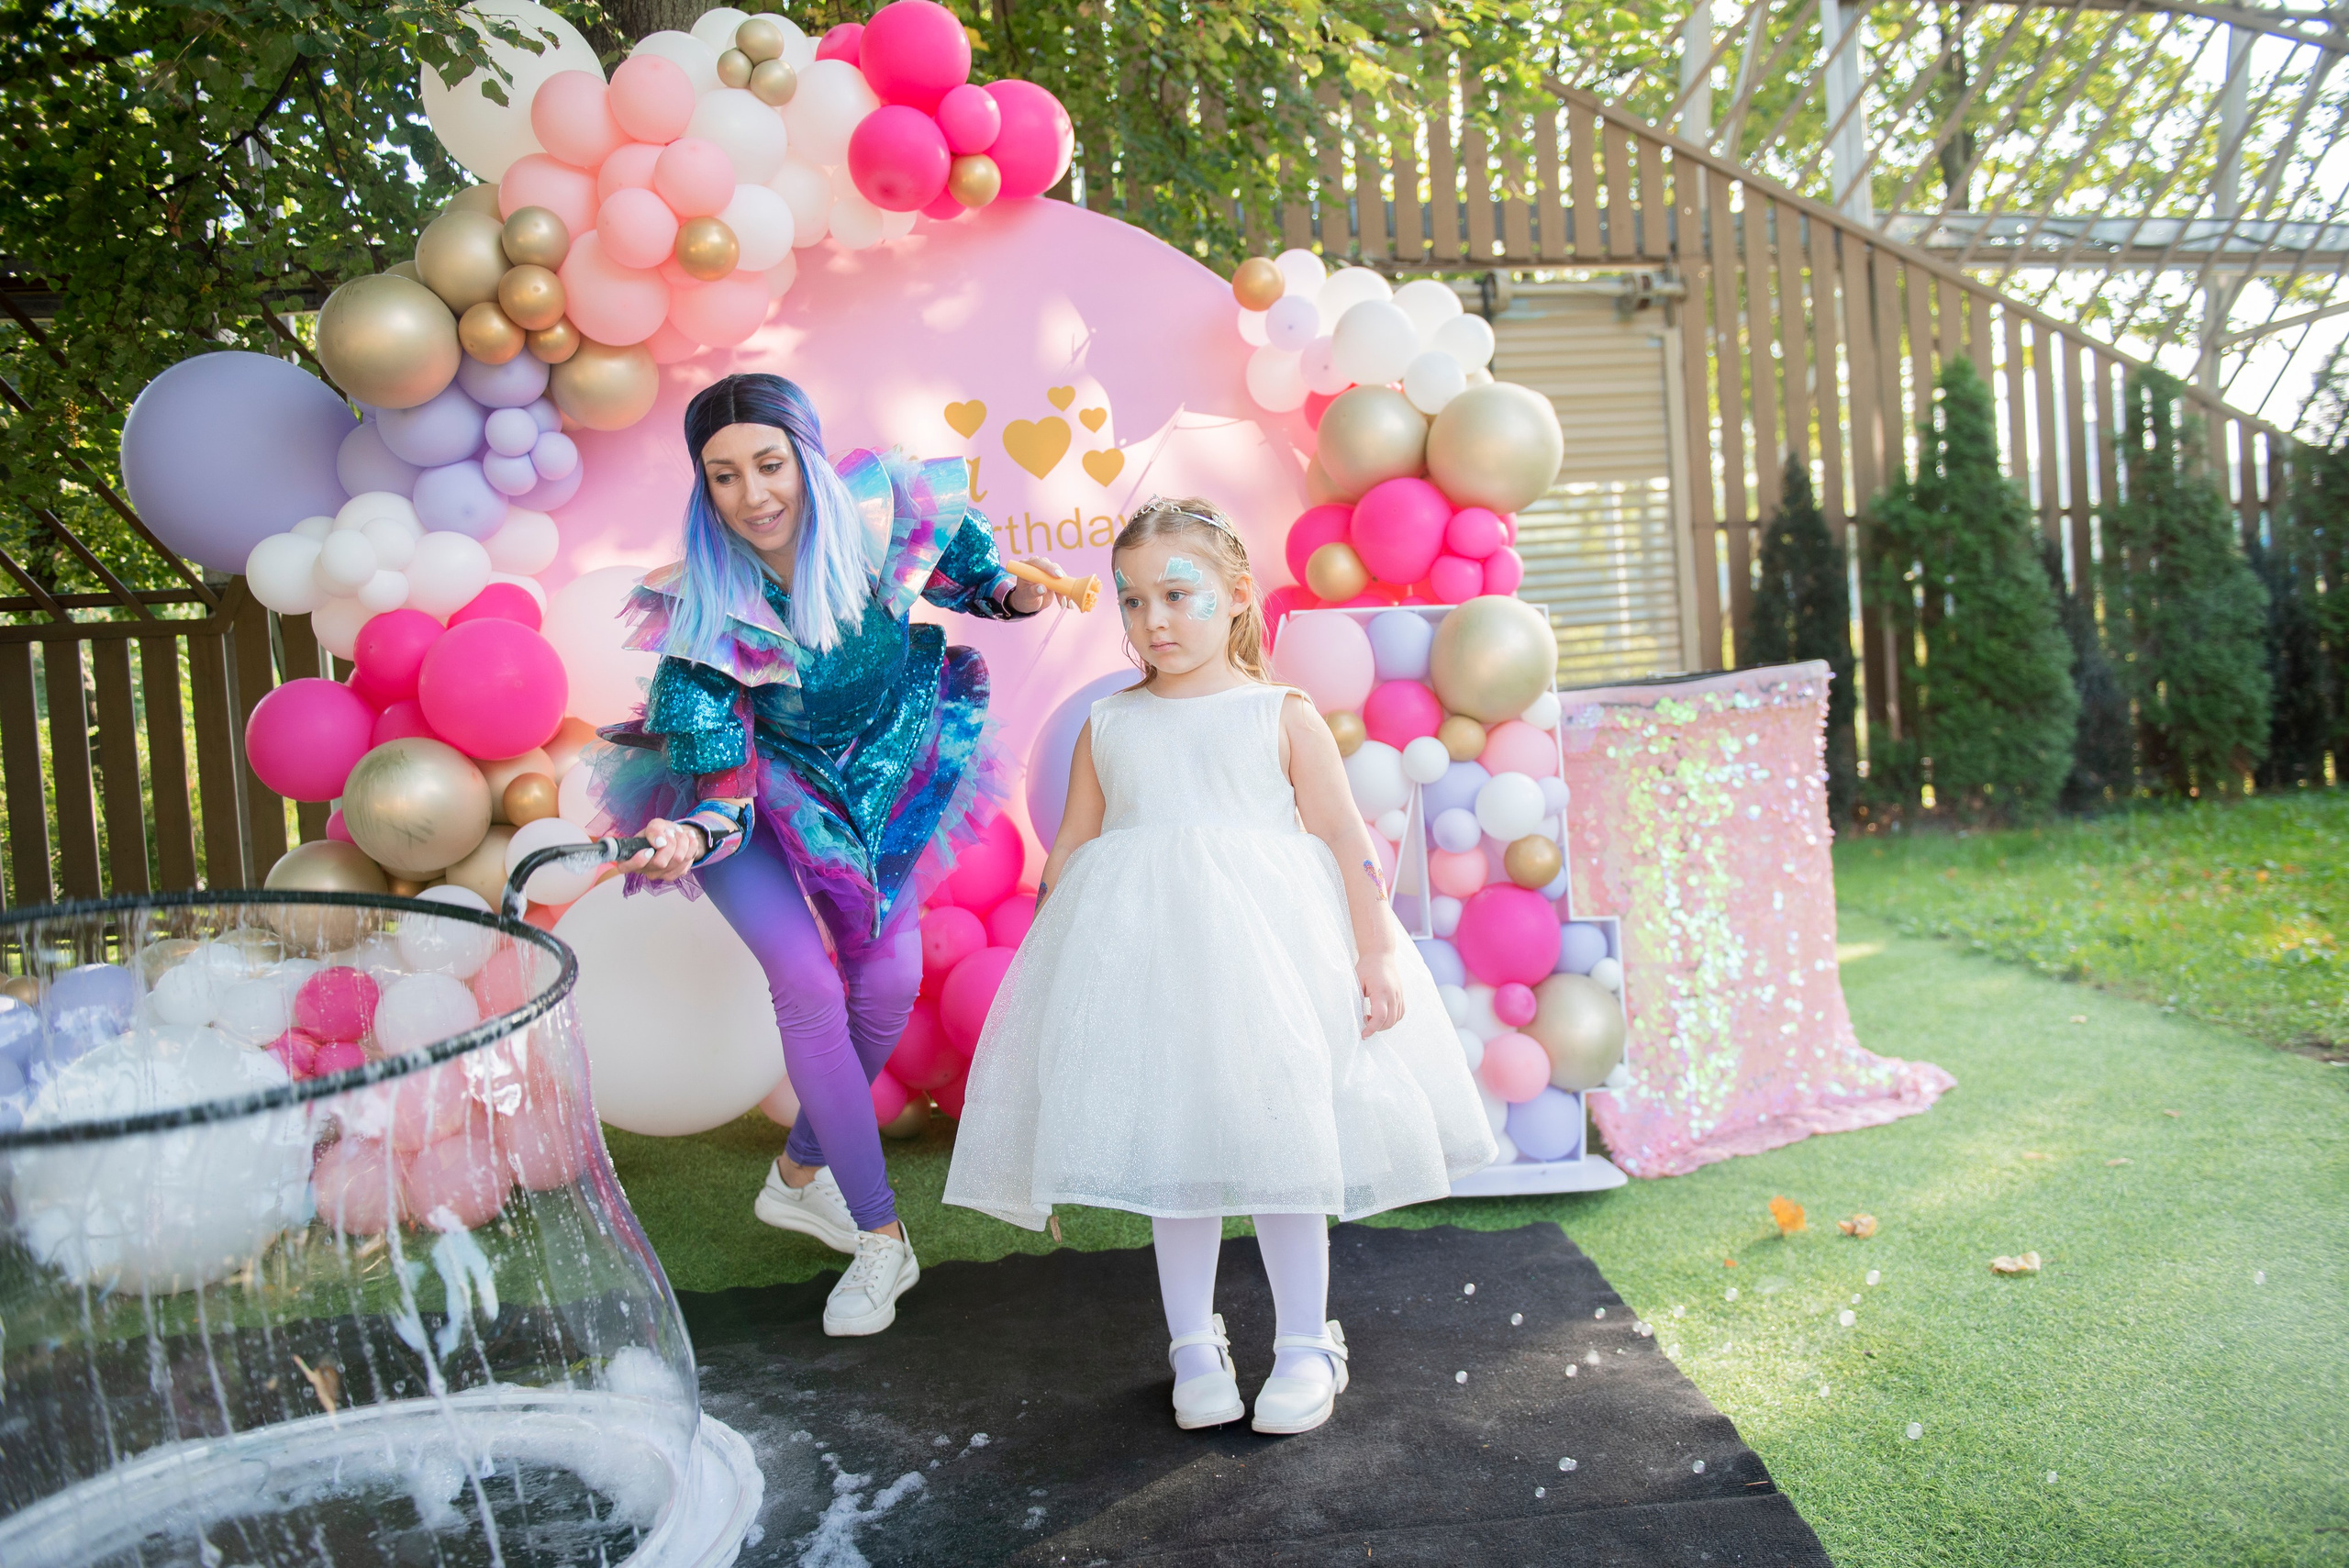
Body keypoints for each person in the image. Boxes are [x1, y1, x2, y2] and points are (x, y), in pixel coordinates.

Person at [943, 497, 1494, 1434]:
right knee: (1175, 1146)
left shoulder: (1279, 713)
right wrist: (1051, 981)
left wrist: (1372, 950)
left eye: (1177, 593)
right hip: (1150, 965)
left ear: (1238, 595)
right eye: (1131, 599)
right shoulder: (1108, 724)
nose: (1153, 619)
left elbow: (1340, 835)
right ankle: (1192, 1342)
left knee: (1285, 1141)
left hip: (1269, 961)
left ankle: (1305, 1340)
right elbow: (1072, 847)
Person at [595, 373, 1061, 1338]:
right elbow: (722, 793)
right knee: (805, 984)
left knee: (886, 987)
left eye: (768, 464)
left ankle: (800, 1169)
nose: (753, 495)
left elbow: (974, 583)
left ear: (806, 459)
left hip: (880, 774)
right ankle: (879, 1233)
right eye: (723, 477)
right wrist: (689, 833)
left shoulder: (881, 519)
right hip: (746, 801)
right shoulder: (703, 618)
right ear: (703, 490)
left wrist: (1019, 589)